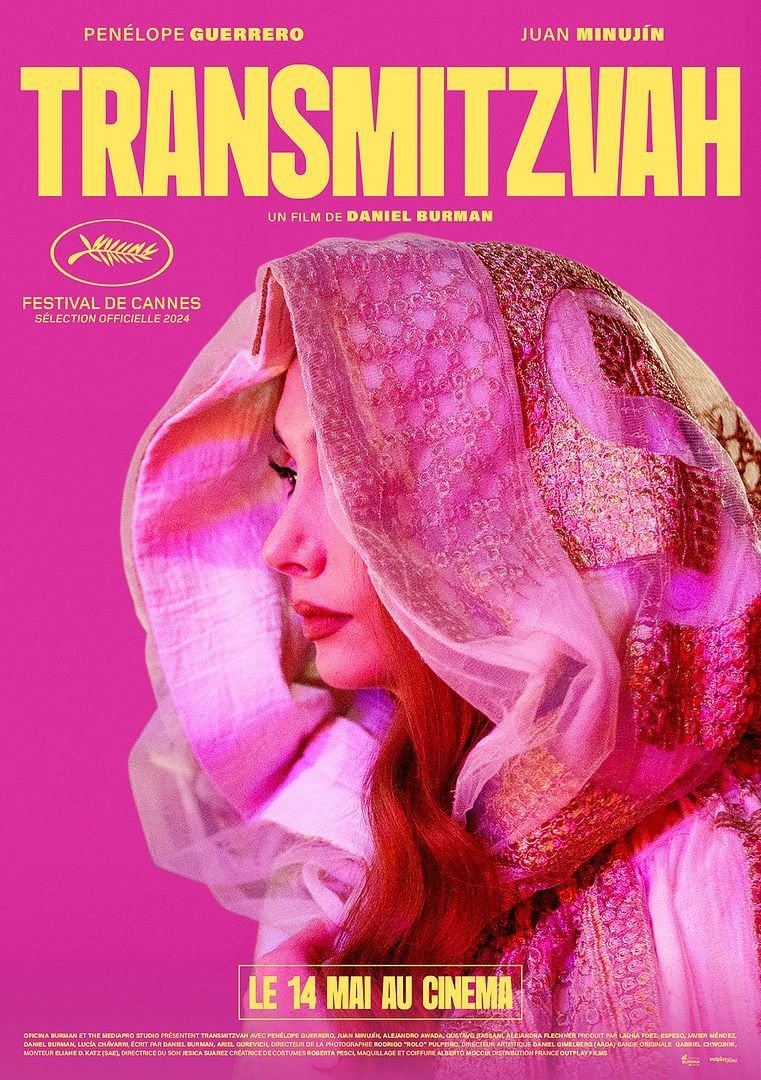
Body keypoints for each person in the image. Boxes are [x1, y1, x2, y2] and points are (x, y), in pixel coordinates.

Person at [123, 234, 761, 1078]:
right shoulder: (355, 877)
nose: (282, 546)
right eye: (287, 473)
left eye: (350, 474)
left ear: (508, 503)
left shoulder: (724, 859)